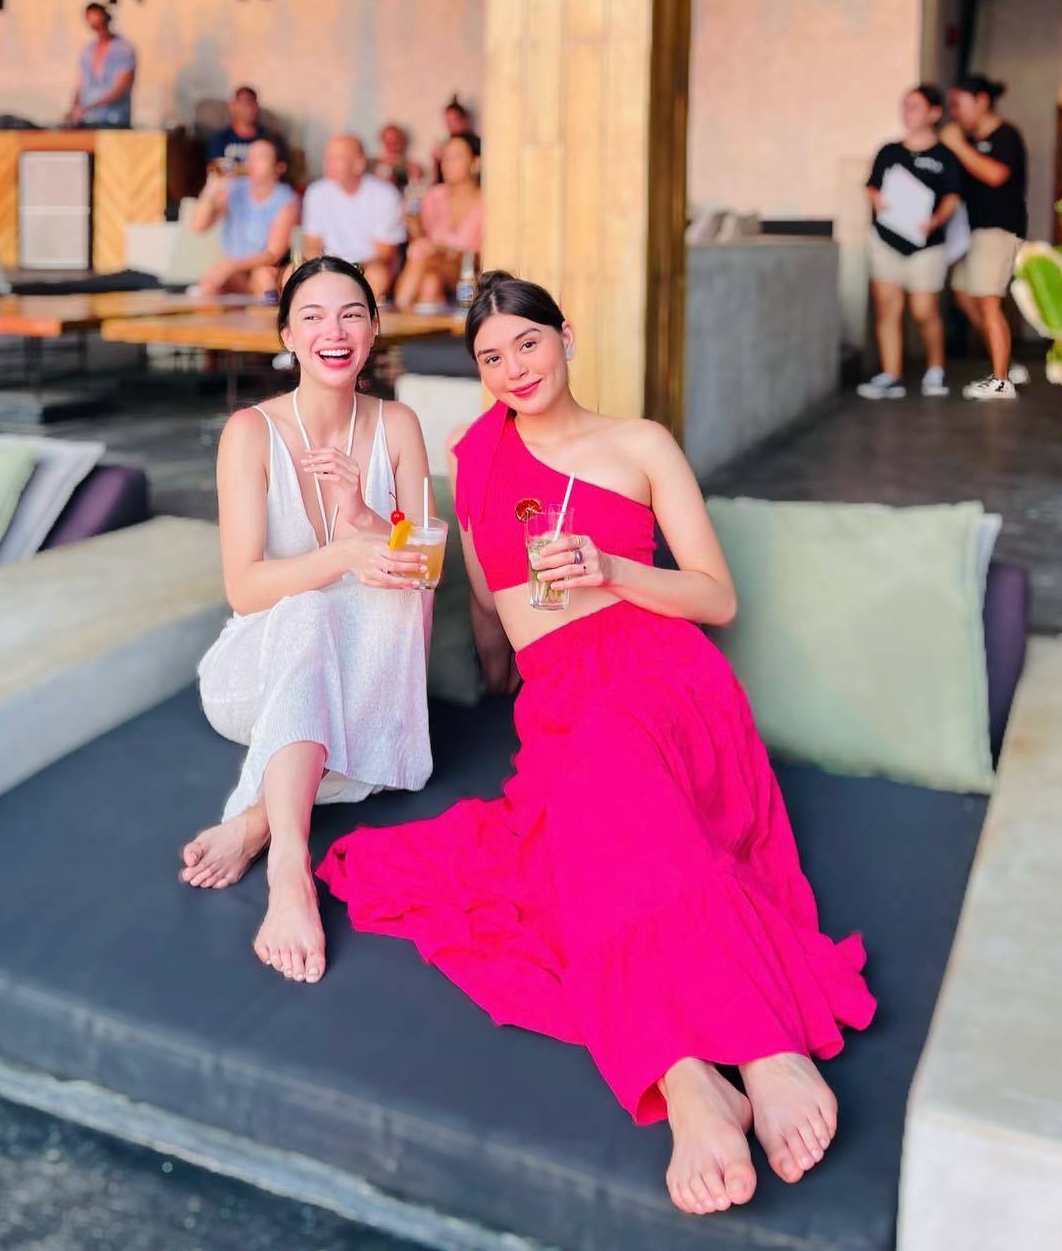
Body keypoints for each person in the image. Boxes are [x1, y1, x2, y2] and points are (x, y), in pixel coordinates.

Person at [318, 272, 876, 1218]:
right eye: (491, 357)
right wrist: (384, 542)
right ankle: (697, 1076)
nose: (513, 368)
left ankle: (752, 1051)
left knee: (608, 758)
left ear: (565, 336)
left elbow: (717, 597)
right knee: (579, 816)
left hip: (662, 678)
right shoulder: (479, 460)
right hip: (559, 703)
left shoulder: (640, 443)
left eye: (527, 343)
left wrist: (613, 566)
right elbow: (484, 599)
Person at [181, 257, 434, 985]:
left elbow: (425, 572)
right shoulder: (250, 432)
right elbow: (245, 589)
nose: (335, 331)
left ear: (375, 328)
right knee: (308, 608)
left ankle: (258, 820)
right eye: (314, 316)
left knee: (396, 594)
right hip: (260, 673)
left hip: (366, 679)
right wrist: (343, 555)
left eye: (352, 314)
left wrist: (362, 517)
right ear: (287, 334)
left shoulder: (398, 425)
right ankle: (289, 868)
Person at [856, 84, 962, 400]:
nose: (907, 112)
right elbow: (872, 185)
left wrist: (935, 220)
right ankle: (891, 374)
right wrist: (876, 199)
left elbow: (952, 197)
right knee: (887, 308)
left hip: (925, 243)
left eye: (915, 106)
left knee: (923, 310)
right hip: (887, 238)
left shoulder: (944, 155)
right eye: (904, 106)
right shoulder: (889, 151)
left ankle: (935, 369)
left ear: (934, 113)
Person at [940, 75, 1029, 402]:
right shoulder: (970, 139)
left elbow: (995, 175)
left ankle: (1001, 381)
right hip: (971, 232)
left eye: (958, 104)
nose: (954, 112)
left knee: (988, 300)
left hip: (998, 229)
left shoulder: (1006, 135)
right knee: (964, 293)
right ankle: (1006, 364)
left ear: (981, 101)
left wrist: (957, 145)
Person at [300, 135, 408, 301]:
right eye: (327, 157)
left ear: (359, 163)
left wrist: (347, 271)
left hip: (367, 268)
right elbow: (311, 244)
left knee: (378, 275)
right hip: (327, 266)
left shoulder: (385, 194)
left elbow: (384, 254)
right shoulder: (316, 192)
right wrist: (325, 267)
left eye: (337, 158)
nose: (328, 164)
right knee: (291, 272)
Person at [190, 137, 299, 299]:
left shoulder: (286, 198)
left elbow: (273, 254)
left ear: (279, 167)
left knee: (265, 279)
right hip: (235, 270)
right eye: (250, 156)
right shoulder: (234, 188)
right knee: (210, 282)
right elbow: (197, 226)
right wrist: (211, 189)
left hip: (266, 267)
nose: (251, 162)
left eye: (261, 157)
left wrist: (230, 265)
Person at [394, 133, 483, 309]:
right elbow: (420, 243)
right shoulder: (433, 196)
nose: (448, 164)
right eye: (445, 158)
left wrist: (442, 250)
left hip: (468, 274)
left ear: (476, 162)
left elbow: (480, 257)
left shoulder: (485, 202)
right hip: (433, 269)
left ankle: (399, 310)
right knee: (430, 283)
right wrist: (414, 226)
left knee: (424, 263)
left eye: (456, 157)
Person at [62, 3, 136, 127]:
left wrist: (88, 107)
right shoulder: (88, 50)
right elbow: (80, 85)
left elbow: (120, 87)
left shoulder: (123, 49)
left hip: (114, 120)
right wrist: (73, 108)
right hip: (88, 120)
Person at [204, 86, 286, 170]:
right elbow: (215, 168)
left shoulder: (269, 137)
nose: (249, 107)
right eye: (244, 103)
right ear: (232, 106)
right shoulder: (219, 138)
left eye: (252, 102)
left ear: (257, 106)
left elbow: (279, 167)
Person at [431, 95, 477, 179]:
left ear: (464, 119)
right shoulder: (445, 144)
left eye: (454, 120)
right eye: (448, 121)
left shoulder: (475, 143)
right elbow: (437, 178)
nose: (451, 124)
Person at [370, 123, 425, 192]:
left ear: (401, 142)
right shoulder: (374, 164)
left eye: (395, 142)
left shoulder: (412, 166)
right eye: (388, 142)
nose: (392, 146)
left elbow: (417, 181)